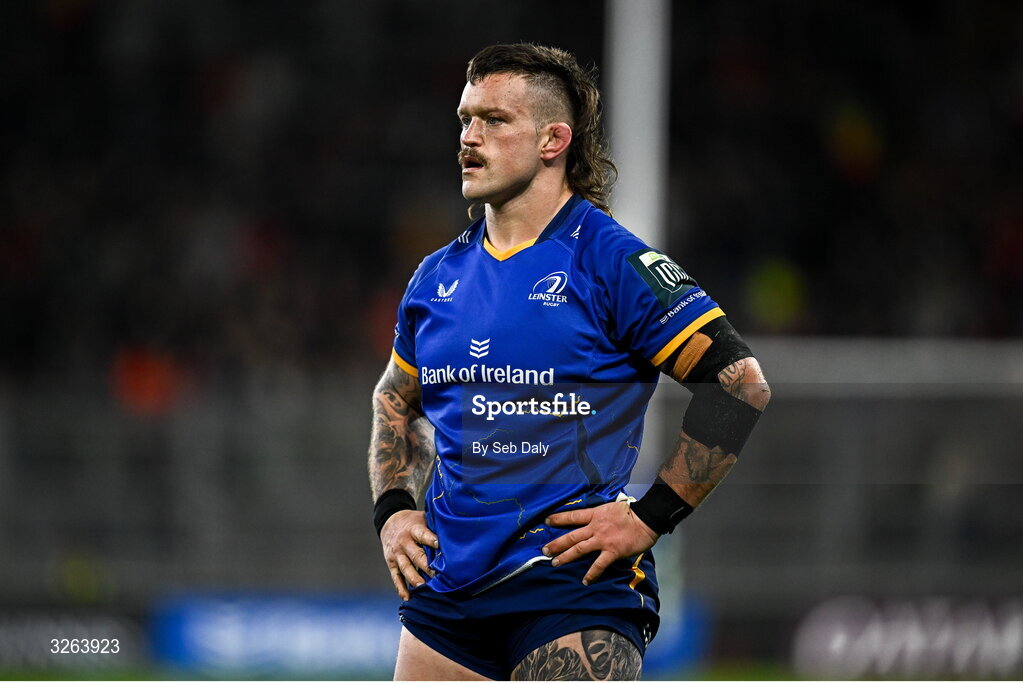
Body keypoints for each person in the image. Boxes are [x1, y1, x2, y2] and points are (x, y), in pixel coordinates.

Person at [368, 43, 770, 681]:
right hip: (447, 594)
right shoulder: (435, 277)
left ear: (553, 140)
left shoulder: (611, 262)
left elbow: (739, 384)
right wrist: (393, 510)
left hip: (570, 585)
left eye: (494, 120)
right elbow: (396, 398)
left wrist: (650, 517)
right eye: (465, 119)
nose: (469, 137)